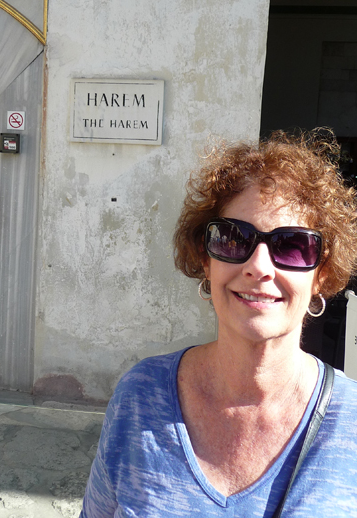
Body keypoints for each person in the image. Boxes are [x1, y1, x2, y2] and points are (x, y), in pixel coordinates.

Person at [80, 129, 357, 517]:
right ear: (205, 260)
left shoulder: (352, 423)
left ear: (322, 273)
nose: (258, 267)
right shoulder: (140, 398)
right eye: (233, 238)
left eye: (292, 245)